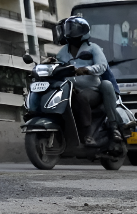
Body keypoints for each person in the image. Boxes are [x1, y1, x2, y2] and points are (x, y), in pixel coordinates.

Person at [53, 17, 121, 146]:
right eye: (68, 29)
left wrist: (87, 69)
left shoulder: (93, 48)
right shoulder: (62, 53)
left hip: (92, 90)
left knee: (82, 98)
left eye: (72, 29)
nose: (69, 32)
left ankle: (90, 134)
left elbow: (102, 66)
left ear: (82, 31)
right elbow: (59, 68)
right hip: (70, 89)